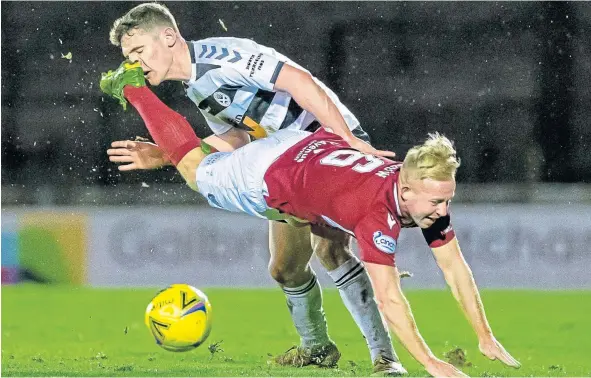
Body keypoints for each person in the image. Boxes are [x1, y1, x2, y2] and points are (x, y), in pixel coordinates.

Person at [100, 61, 522, 377]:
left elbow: (455, 268)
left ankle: (354, 355)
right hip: (270, 175)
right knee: (192, 168)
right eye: (437, 203)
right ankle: (134, 88)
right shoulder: (377, 216)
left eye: (447, 201)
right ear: (407, 190)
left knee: (294, 263)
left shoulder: (413, 188)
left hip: (302, 145)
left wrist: (485, 334)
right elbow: (390, 299)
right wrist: (429, 362)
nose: (442, 213)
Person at [104, 3, 403, 374]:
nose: (134, 64)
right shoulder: (198, 86)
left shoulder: (221, 56)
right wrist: (168, 154)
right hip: (284, 164)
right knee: (285, 269)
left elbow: (297, 81)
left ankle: (385, 359)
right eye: (128, 57)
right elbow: (235, 137)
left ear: (167, 37)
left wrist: (347, 139)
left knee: (329, 248)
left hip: (325, 143)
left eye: (138, 51)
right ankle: (317, 349)